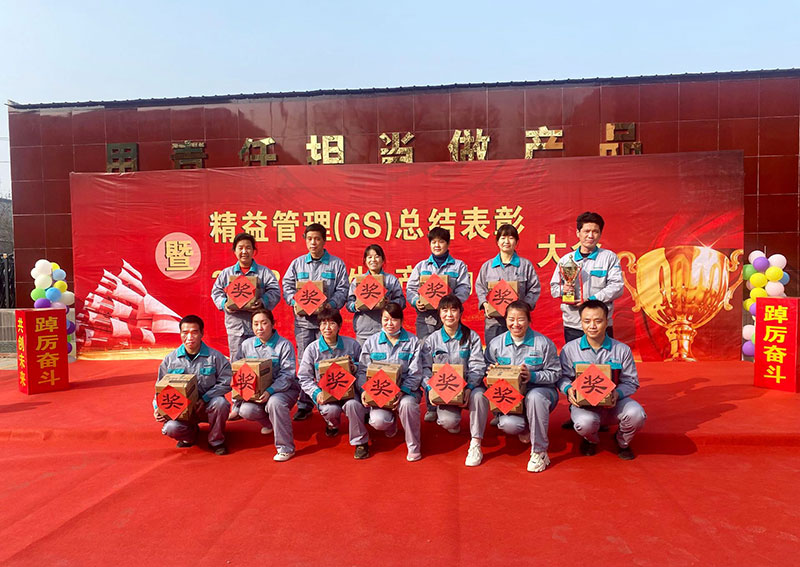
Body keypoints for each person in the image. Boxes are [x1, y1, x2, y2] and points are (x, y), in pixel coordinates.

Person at [558, 299, 646, 460]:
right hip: (584, 406)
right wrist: (568, 389)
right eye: (587, 321)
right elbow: (562, 377)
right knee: (584, 424)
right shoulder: (569, 349)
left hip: (614, 404)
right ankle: (591, 440)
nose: (592, 326)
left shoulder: (622, 350)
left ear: (607, 321)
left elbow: (631, 382)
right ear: (581, 323)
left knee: (637, 414)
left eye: (598, 321)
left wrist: (617, 394)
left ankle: (622, 442)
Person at [282, 223, 349, 421]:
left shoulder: (336, 264)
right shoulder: (297, 264)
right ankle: (305, 403)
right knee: (305, 361)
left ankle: (331, 401)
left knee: (328, 362)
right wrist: (293, 301)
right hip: (304, 323)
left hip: (327, 323)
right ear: (305, 240)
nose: (313, 243)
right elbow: (287, 285)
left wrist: (331, 305)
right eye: (310, 238)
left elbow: (343, 289)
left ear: (324, 240)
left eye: (317, 239)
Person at [211, 232, 281, 421]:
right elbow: (216, 292)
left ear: (254, 250)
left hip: (259, 328)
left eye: (248, 247)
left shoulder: (263, 273)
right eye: (240, 248)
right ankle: (237, 403)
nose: (244, 251)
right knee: (238, 365)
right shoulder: (227, 274)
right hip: (236, 327)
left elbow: (275, 291)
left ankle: (264, 402)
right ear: (234, 251)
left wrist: (263, 301)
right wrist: (224, 303)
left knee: (263, 363)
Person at [484, 300, 560, 473]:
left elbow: (556, 373)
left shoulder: (543, 343)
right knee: (509, 425)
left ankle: (540, 451)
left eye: (521, 319)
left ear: (529, 320)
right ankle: (527, 426)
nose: (515, 324)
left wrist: (533, 376)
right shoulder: (496, 344)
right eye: (511, 319)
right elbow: (486, 369)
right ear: (505, 320)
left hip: (540, 392)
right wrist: (491, 371)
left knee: (534, 397)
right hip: (510, 398)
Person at [406, 227, 470, 422]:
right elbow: (410, 289)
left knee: (449, 356)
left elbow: (464, 288)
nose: (437, 245)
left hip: (449, 318)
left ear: (448, 244)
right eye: (433, 242)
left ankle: (454, 398)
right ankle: (431, 404)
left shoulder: (458, 266)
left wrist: (451, 303)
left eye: (441, 241)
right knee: (427, 359)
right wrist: (416, 301)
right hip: (426, 320)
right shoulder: (421, 266)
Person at [419, 295, 488, 467]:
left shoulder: (471, 337)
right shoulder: (432, 340)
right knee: (448, 421)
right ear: (439, 313)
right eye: (445, 310)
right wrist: (430, 388)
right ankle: (453, 421)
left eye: (453, 310)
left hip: (470, 387)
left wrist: (469, 387)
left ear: (460, 313)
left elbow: (478, 365)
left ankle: (476, 442)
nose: (449, 314)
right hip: (445, 391)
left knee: (480, 396)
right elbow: (425, 368)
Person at [298, 306, 369, 459]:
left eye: (331, 323)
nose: (327, 328)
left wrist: (354, 368)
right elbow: (304, 377)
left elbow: (364, 369)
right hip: (326, 394)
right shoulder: (312, 349)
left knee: (353, 405)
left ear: (339, 325)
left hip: (350, 392)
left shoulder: (352, 345)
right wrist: (316, 393)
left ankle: (360, 442)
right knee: (331, 410)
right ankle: (332, 424)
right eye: (323, 323)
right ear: (319, 326)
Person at [154, 315, 232, 455]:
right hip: (181, 410)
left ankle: (216, 440)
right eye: (185, 332)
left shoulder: (215, 357)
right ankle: (189, 436)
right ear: (180, 334)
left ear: (202, 333)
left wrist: (206, 398)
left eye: (194, 332)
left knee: (221, 403)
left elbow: (227, 381)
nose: (189, 337)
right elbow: (160, 389)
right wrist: (157, 408)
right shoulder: (170, 360)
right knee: (170, 428)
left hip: (207, 407)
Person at [357, 302, 423, 462]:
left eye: (394, 319)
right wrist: (364, 390)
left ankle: (413, 445)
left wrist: (402, 391)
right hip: (380, 393)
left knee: (407, 405)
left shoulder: (413, 342)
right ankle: (391, 423)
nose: (389, 323)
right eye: (386, 319)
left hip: (406, 392)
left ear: (401, 321)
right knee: (378, 421)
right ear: (381, 320)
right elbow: (362, 371)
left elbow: (416, 372)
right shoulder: (371, 342)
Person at [549, 212, 624, 344]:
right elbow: (554, 289)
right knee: (575, 357)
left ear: (600, 234)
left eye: (595, 231)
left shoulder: (609, 258)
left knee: (604, 357)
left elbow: (617, 287)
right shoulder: (566, 260)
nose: (590, 235)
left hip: (600, 323)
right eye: (586, 231)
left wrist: (591, 300)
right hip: (574, 324)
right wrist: (563, 290)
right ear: (578, 233)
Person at [237, 309, 299, 462]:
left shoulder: (284, 345)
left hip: (284, 390)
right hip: (258, 392)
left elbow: (288, 375)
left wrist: (270, 391)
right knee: (245, 410)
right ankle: (271, 423)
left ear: (272, 324)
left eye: (264, 323)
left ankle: (286, 448)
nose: (260, 328)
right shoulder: (246, 345)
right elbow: (239, 371)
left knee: (275, 402)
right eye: (255, 324)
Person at [476, 223, 541, 345]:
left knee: (519, 349)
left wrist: (525, 306)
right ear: (497, 242)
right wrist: (484, 303)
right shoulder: (487, 266)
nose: (506, 241)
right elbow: (480, 287)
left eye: (511, 238)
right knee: (493, 351)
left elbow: (534, 288)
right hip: (494, 321)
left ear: (516, 242)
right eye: (503, 238)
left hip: (517, 321)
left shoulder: (525, 265)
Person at [346, 244, 406, 345]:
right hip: (364, 330)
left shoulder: (391, 280)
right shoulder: (358, 281)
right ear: (365, 261)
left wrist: (390, 303)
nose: (373, 260)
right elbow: (349, 303)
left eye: (377, 256)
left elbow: (402, 302)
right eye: (369, 257)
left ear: (383, 260)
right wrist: (355, 306)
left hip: (386, 329)